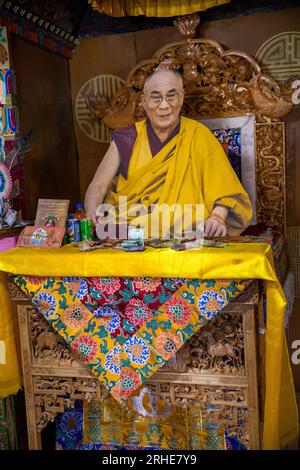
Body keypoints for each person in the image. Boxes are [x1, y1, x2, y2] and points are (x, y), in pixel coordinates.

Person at [84, 69, 252, 238]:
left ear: (182, 97)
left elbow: (224, 192)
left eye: (171, 96)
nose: (164, 105)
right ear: (143, 101)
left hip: (187, 233)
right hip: (132, 233)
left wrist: (217, 218)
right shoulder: (125, 139)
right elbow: (98, 186)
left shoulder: (199, 135)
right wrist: (92, 214)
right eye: (155, 97)